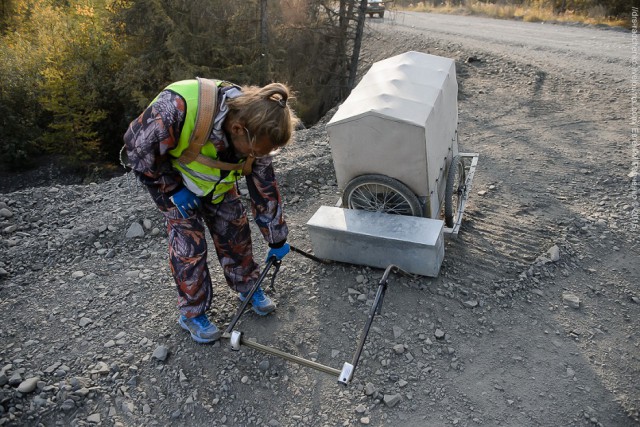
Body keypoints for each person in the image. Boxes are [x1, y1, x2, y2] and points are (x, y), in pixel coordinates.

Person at [123, 78, 299, 343]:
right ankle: (192, 314)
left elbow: (264, 186)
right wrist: (170, 190)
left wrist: (277, 237)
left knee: (236, 233)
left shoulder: (257, 131)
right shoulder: (178, 107)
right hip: (176, 186)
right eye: (256, 151)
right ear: (238, 129)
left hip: (218, 185)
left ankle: (248, 286)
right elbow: (137, 151)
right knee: (189, 249)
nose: (259, 156)